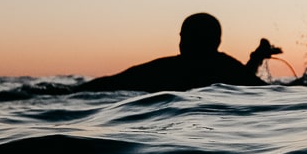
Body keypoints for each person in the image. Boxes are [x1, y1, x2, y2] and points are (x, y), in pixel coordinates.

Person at [73, 13, 282, 93]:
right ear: (218, 41)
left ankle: (257, 56)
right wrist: (254, 61)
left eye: (183, 36)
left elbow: (113, 83)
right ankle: (257, 56)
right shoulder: (226, 66)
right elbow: (256, 87)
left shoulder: (165, 68)